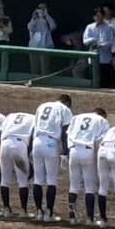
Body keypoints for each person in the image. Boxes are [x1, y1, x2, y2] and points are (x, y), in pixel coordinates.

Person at [31, 92, 73, 220]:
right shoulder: (65, 109)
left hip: (37, 141)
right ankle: (49, 213)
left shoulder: (42, 106)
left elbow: (34, 127)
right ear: (68, 103)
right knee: (51, 180)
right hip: (50, 143)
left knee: (38, 179)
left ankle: (39, 212)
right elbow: (65, 133)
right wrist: (65, 152)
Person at [0, 108, 35, 216]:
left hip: (4, 144)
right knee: (23, 180)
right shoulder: (33, 118)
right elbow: (33, 137)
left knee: (4, 180)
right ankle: (23, 211)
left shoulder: (10, 116)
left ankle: (6, 209)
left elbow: (0, 132)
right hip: (20, 145)